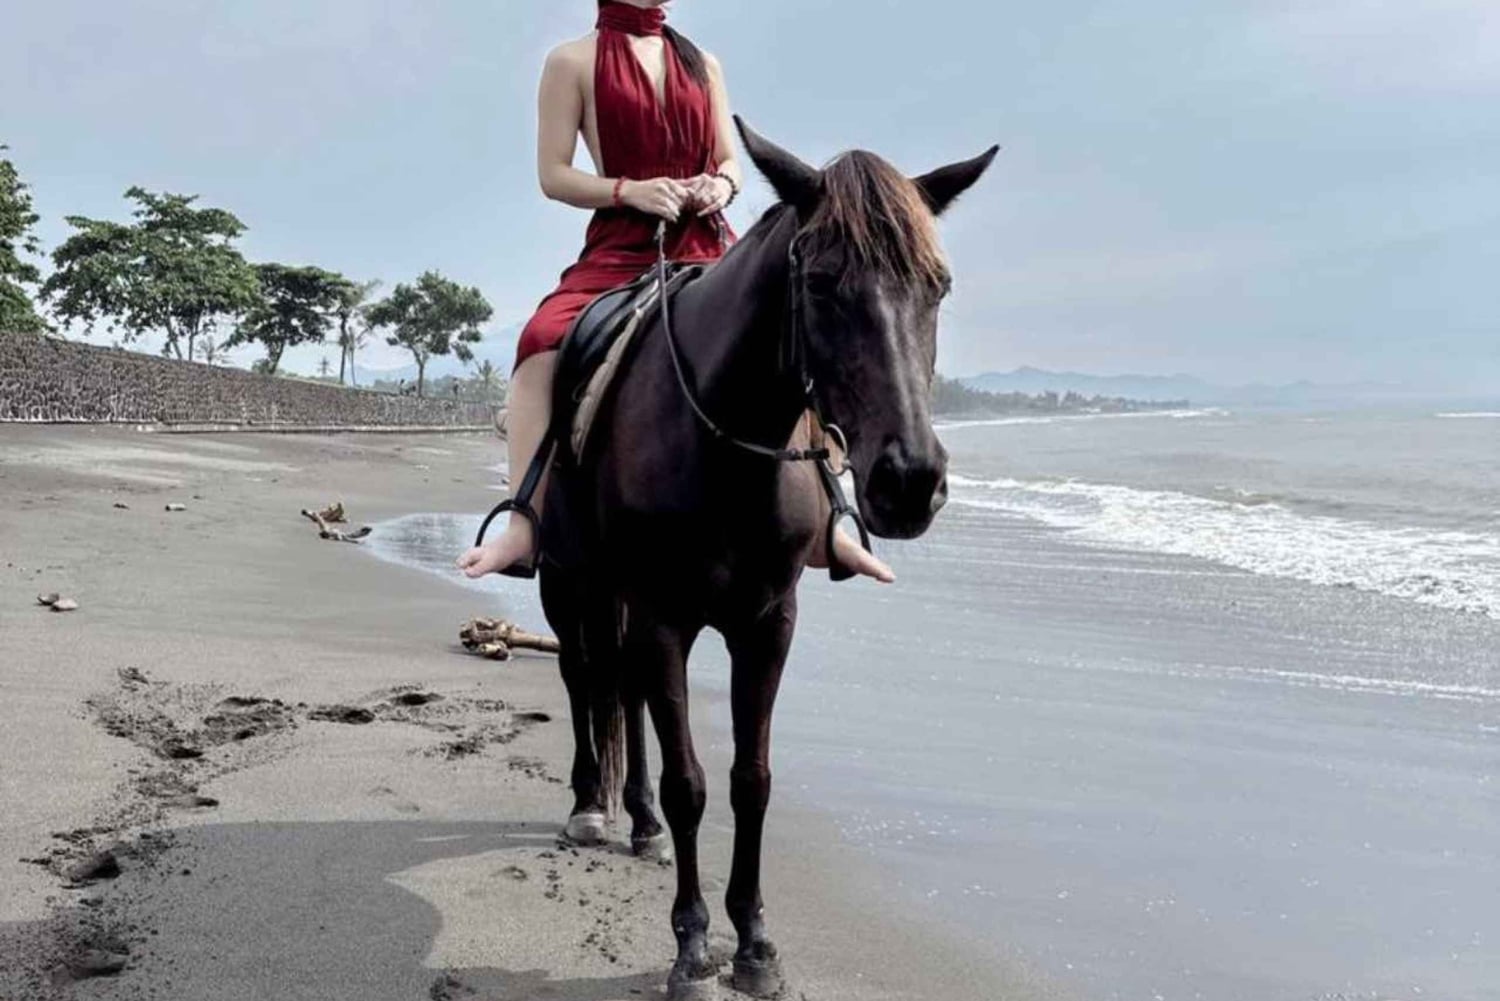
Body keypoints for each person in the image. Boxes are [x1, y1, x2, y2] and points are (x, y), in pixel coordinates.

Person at [458, 0, 893, 582]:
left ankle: (829, 515)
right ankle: (523, 521)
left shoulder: (702, 62)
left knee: (797, 328)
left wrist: (722, 185)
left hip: (711, 243)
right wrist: (628, 191)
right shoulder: (570, 62)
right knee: (539, 340)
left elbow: (731, 161)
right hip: (621, 246)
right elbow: (553, 174)